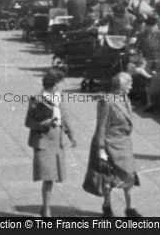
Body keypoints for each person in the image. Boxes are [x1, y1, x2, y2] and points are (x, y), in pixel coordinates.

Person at [87, 72, 141, 217]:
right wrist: (101, 148)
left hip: (123, 143)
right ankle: (107, 206)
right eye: (129, 84)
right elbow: (101, 126)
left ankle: (130, 208)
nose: (131, 87)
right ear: (121, 86)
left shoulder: (125, 98)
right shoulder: (107, 101)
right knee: (107, 178)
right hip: (109, 143)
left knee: (128, 176)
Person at [25, 68, 76, 217]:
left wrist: (71, 134)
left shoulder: (59, 97)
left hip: (56, 141)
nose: (63, 86)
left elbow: (65, 117)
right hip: (43, 141)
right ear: (54, 84)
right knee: (47, 176)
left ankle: (45, 206)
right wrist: (44, 123)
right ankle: (46, 209)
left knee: (52, 177)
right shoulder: (37, 99)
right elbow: (28, 122)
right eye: (61, 83)